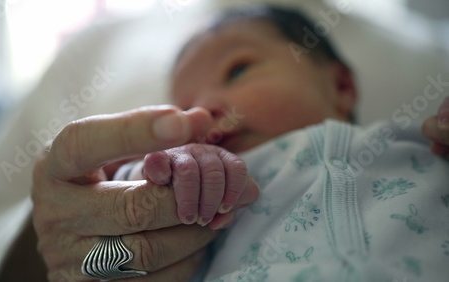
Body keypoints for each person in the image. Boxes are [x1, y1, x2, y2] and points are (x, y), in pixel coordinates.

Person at [30, 4, 449, 282]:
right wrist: (168, 173)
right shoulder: (208, 201)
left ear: (339, 86)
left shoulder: (414, 144)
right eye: (185, 106)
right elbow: (122, 218)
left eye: (237, 71)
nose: (204, 108)